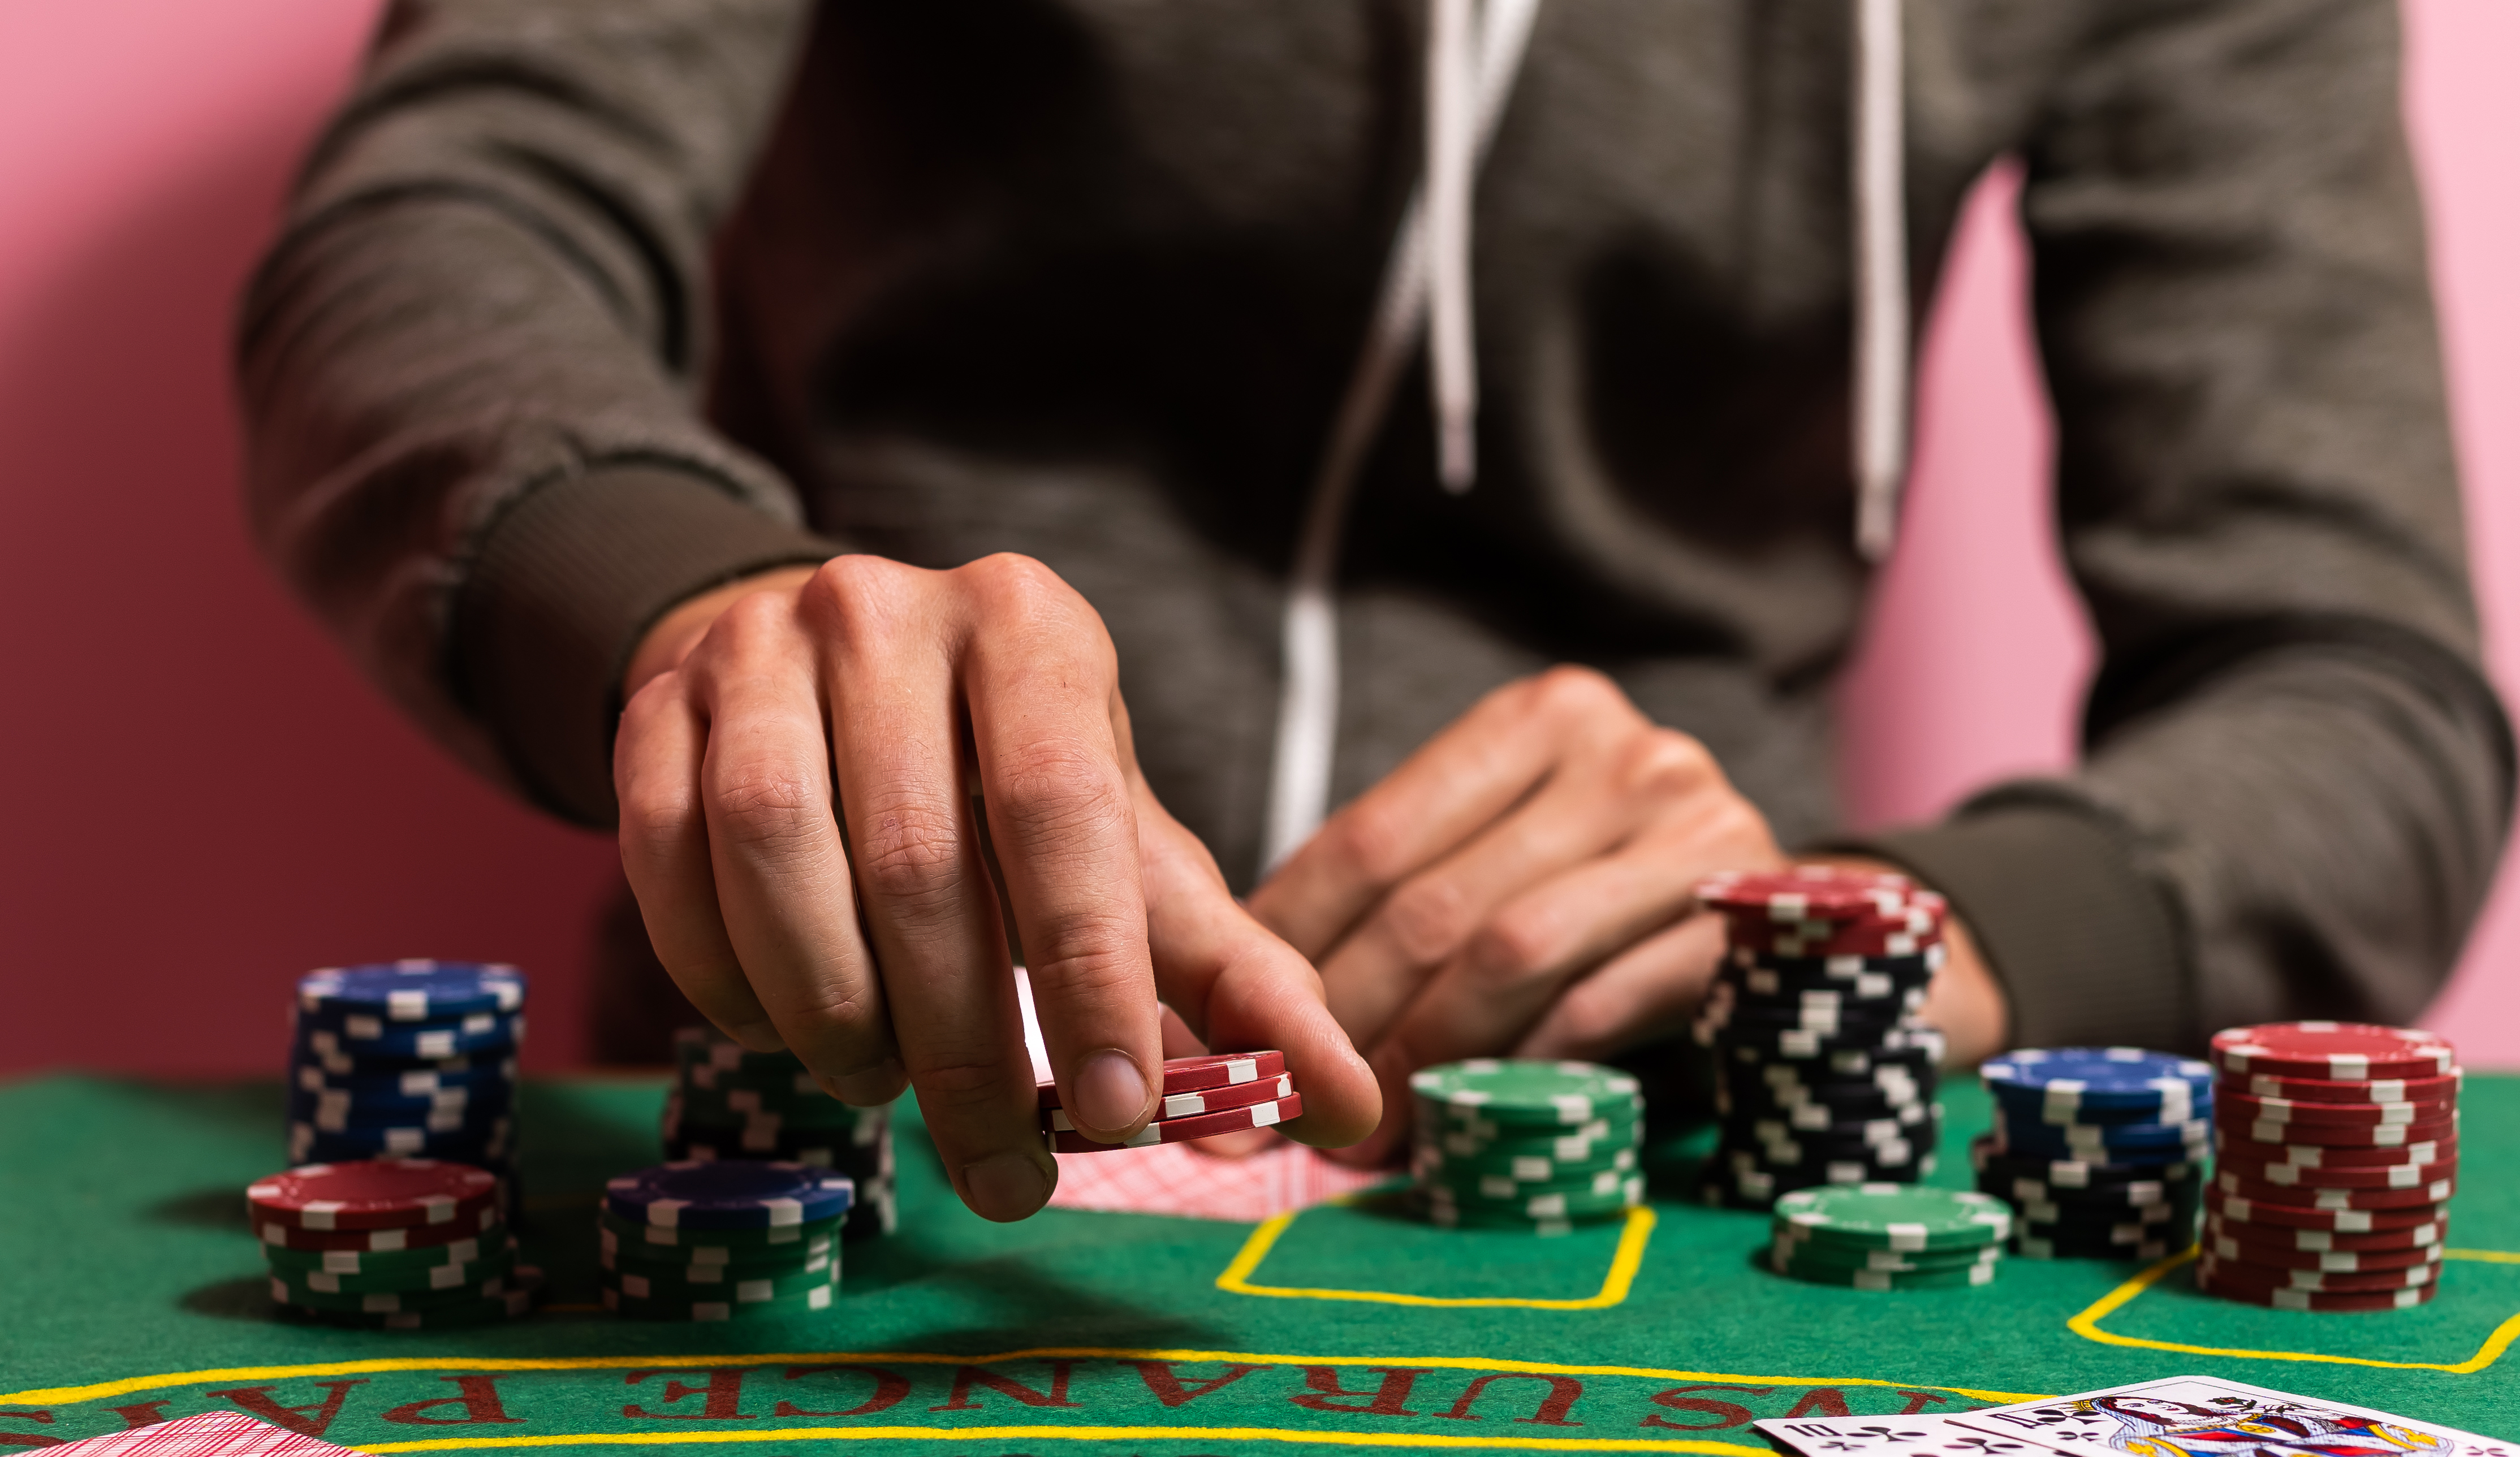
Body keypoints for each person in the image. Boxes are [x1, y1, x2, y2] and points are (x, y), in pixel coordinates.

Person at [237, 0, 2510, 1223]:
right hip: (841, 1127)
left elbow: (2357, 690)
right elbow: (439, 235)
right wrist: (688, 599)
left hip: (1682, 1172)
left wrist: (1883, 932)